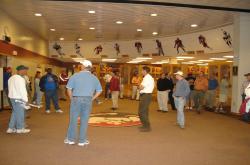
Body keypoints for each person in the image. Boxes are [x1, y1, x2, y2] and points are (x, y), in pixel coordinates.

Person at [64, 60, 102, 146]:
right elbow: (99, 91)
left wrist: (72, 99)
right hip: (88, 99)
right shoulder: (94, 77)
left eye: (81, 65)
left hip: (76, 99)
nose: (80, 66)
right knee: (84, 120)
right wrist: (92, 98)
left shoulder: (75, 76)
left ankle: (71, 139)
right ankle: (82, 140)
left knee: (73, 119)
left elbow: (69, 89)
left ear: (83, 66)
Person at [6, 65, 30, 134]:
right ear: (21, 70)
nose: (26, 72)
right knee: (20, 113)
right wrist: (26, 101)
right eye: (25, 70)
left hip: (12, 98)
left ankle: (10, 128)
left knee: (15, 113)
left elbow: (9, 88)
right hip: (19, 98)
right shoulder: (20, 79)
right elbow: (22, 90)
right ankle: (20, 128)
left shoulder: (11, 78)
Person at [138, 66, 154, 132]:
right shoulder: (147, 77)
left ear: (145, 71)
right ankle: (145, 125)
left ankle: (147, 127)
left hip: (146, 96)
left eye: (142, 70)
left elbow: (141, 87)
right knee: (144, 111)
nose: (141, 72)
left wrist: (139, 86)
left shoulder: (147, 78)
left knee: (142, 111)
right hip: (145, 95)